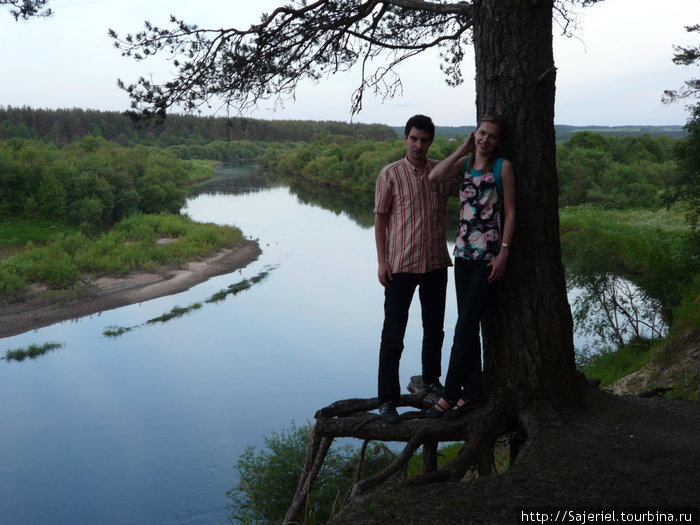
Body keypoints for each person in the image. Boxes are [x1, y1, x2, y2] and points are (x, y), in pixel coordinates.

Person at [425, 114, 515, 418]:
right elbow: (435, 177)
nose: (485, 139)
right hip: (462, 256)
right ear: (474, 134)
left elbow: (512, 211)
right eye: (481, 133)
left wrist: (504, 253)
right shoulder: (464, 165)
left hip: (487, 260)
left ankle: (450, 395)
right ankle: (473, 392)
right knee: (468, 325)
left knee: (463, 328)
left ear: (498, 140)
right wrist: (463, 149)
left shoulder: (503, 167)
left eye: (491, 135)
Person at [374, 114, 457, 424]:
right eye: (414, 139)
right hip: (401, 265)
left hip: (435, 261)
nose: (419, 145)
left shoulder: (441, 172)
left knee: (434, 328)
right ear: (405, 139)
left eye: (424, 140)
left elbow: (470, 190)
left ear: (431, 141)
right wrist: (382, 261)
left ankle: (432, 379)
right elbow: (380, 218)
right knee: (393, 334)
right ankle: (387, 400)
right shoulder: (390, 174)